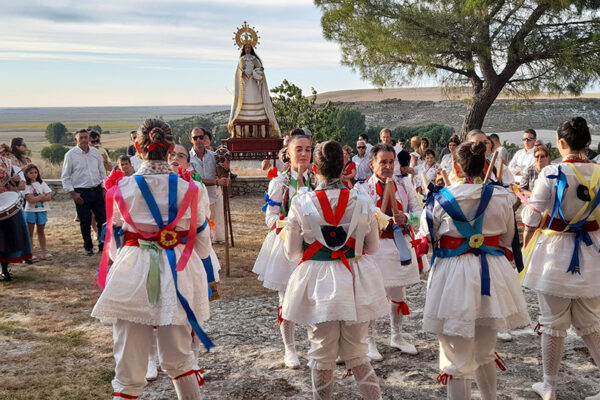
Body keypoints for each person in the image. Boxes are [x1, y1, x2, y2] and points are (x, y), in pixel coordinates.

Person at [91, 118, 213, 400]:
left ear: (137, 146)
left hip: (133, 270)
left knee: (128, 365)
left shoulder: (121, 188)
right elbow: (203, 244)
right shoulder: (192, 188)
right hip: (179, 270)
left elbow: (112, 240)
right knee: (181, 359)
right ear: (171, 149)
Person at [420, 140, 530, 400]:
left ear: (455, 167)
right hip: (491, 274)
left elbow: (427, 239)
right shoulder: (501, 197)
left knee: (456, 359)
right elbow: (507, 240)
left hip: (453, 277)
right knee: (484, 352)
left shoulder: (439, 199)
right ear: (483, 167)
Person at [282, 140, 387, 400]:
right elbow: (372, 248)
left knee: (321, 353)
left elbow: (293, 253)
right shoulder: (363, 200)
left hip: (319, 280)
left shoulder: (301, 202)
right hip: (354, 280)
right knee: (357, 354)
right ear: (343, 167)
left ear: (315, 168)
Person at [521, 117, 600, 400]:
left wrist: (527, 205)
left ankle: (549, 386)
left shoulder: (553, 172)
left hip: (555, 255)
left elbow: (531, 217)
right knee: (590, 323)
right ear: (588, 143)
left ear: (561, 143)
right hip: (593, 256)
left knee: (552, 322)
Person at [356, 143, 427, 359]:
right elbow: (359, 219)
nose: (387, 166)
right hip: (375, 248)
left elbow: (419, 212)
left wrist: (407, 218)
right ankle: (369, 341)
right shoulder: (362, 189)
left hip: (399, 245)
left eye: (390, 162)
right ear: (372, 164)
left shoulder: (404, 185)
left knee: (398, 293)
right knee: (372, 294)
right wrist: (374, 221)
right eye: (382, 162)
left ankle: (397, 335)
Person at [253, 134, 316, 368]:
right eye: (298, 149)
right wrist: (291, 225)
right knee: (287, 298)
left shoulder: (317, 180)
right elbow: (270, 218)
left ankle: (316, 344)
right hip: (287, 245)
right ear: (288, 154)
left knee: (313, 296)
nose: (304, 154)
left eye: (308, 150)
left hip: (312, 246)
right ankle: (290, 348)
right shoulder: (279, 182)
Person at [61, 129, 107, 256]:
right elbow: (65, 176)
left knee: (102, 220)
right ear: (76, 140)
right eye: (81, 137)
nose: (84, 140)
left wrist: (104, 188)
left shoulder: (95, 153)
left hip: (97, 190)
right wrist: (73, 193)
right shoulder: (70, 155)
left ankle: (103, 245)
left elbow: (102, 172)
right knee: (85, 221)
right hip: (81, 193)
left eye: (86, 137)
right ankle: (88, 247)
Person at [228, 43, 280, 138]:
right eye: (246, 47)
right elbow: (238, 72)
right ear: (243, 49)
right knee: (244, 100)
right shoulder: (241, 60)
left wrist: (256, 72)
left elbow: (260, 70)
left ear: (251, 49)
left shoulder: (255, 59)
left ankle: (258, 116)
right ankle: (244, 116)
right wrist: (241, 74)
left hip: (253, 82)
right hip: (245, 84)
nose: (247, 49)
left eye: (249, 47)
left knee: (255, 98)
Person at [189, 127, 229, 244]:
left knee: (211, 222)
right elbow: (196, 179)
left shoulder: (213, 155)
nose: (198, 140)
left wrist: (226, 168)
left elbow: (220, 172)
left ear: (204, 138)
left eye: (201, 137)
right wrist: (217, 182)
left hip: (211, 196)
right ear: (191, 139)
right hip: (195, 197)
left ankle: (209, 248)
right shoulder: (187, 158)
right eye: (195, 138)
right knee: (198, 224)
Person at [0, 151, 31, 280]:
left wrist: (14, 182)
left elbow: (19, 187)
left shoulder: (6, 163)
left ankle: (4, 269)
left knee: (7, 238)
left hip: (6, 204)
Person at [22, 164, 52, 260]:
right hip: (30, 211)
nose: (34, 174)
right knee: (30, 233)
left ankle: (44, 252)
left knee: (41, 232)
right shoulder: (26, 186)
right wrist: (41, 196)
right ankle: (31, 253)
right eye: (31, 173)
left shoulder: (42, 183)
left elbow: (49, 197)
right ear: (26, 174)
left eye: (35, 172)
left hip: (42, 210)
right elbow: (31, 200)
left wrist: (38, 198)